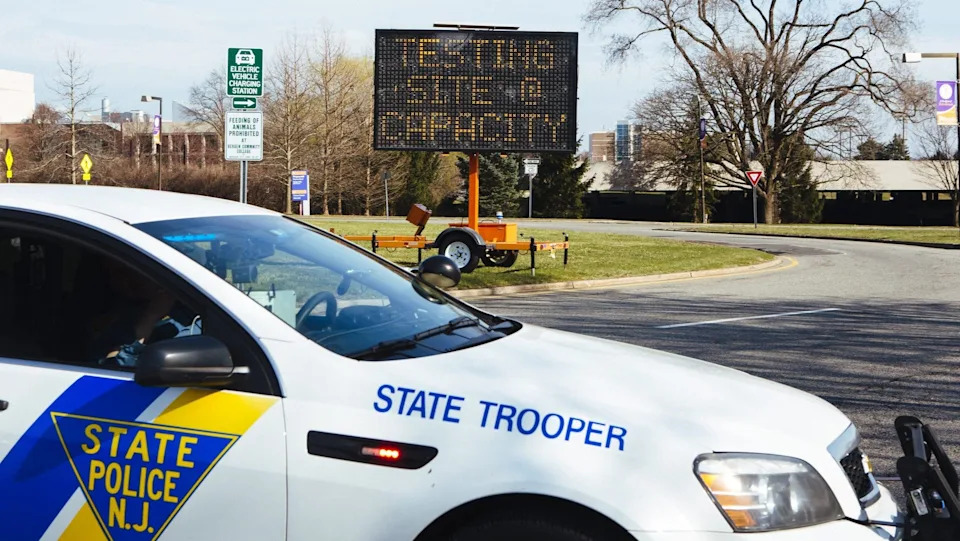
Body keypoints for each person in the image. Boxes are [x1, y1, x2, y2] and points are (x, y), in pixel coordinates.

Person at [86, 258, 177, 367]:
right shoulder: (120, 321)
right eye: (119, 273)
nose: (127, 280)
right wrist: (150, 317)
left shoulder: (192, 310)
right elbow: (112, 368)